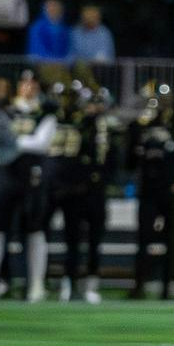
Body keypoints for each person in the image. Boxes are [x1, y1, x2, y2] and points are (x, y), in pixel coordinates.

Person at [0, 70, 57, 300]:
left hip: (32, 175)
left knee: (35, 228)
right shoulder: (5, 111)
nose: (27, 87)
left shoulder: (45, 112)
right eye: (24, 83)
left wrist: (11, 144)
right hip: (7, 174)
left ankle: (36, 284)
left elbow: (42, 143)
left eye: (32, 83)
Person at [127, 84, 174, 300]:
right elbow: (129, 159)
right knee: (144, 238)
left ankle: (169, 286)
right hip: (149, 189)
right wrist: (141, 128)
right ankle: (139, 285)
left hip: (171, 189)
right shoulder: (143, 126)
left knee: (173, 240)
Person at [48, 82, 111, 302]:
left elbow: (111, 159)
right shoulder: (80, 125)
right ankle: (70, 281)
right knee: (73, 238)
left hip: (97, 190)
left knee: (95, 238)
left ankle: (91, 283)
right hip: (77, 190)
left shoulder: (104, 126)